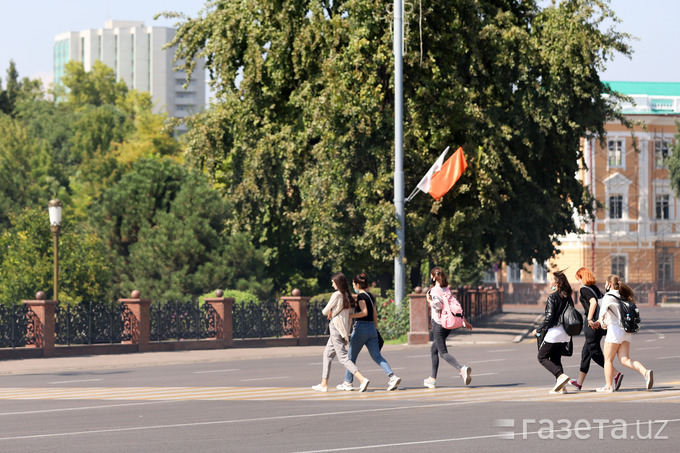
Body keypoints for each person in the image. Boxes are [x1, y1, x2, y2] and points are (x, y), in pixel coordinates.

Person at [336, 273, 401, 391]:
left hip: (361, 328)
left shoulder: (361, 296)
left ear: (356, 284)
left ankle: (348, 382)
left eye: (353, 284)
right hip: (372, 328)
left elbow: (364, 312)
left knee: (351, 356)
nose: (353, 287)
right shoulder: (371, 296)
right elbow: (374, 314)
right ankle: (392, 377)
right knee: (377, 356)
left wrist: (350, 316)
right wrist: (374, 329)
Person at [312, 272, 371, 392]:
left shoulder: (337, 295)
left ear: (337, 283)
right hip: (343, 329)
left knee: (343, 357)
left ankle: (362, 379)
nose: (332, 284)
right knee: (327, 354)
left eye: (333, 282)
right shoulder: (347, 295)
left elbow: (324, 311)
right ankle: (324, 384)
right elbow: (348, 314)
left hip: (335, 328)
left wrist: (331, 310)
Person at [594, 276, 653, 392]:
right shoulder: (624, 295)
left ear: (609, 284)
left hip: (614, 331)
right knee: (625, 359)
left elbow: (602, 315)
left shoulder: (608, 296)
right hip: (626, 331)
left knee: (608, 360)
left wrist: (601, 323)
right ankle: (645, 372)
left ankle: (608, 386)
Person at [569, 267, 623, 391]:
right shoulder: (594, 288)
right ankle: (580, 381)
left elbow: (593, 303)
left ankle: (615, 374)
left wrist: (589, 319)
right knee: (586, 352)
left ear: (583, 277)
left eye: (579, 278)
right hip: (599, 323)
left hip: (592, 324)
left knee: (594, 351)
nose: (578, 281)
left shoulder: (584, 289)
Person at [423, 267, 473, 389]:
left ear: (434, 277)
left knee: (443, 352)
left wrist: (429, 300)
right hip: (448, 325)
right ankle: (432, 379)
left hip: (439, 324)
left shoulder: (434, 290)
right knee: (433, 350)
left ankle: (461, 369)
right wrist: (464, 321)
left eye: (431, 276)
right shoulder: (447, 289)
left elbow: (438, 305)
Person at [530, 270, 573, 394]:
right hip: (566, 333)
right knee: (555, 358)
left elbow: (549, 317)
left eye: (551, 279)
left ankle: (560, 376)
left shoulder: (552, 297)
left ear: (557, 282)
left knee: (542, 356)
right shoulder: (567, 296)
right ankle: (562, 387)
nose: (549, 281)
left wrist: (538, 329)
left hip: (555, 331)